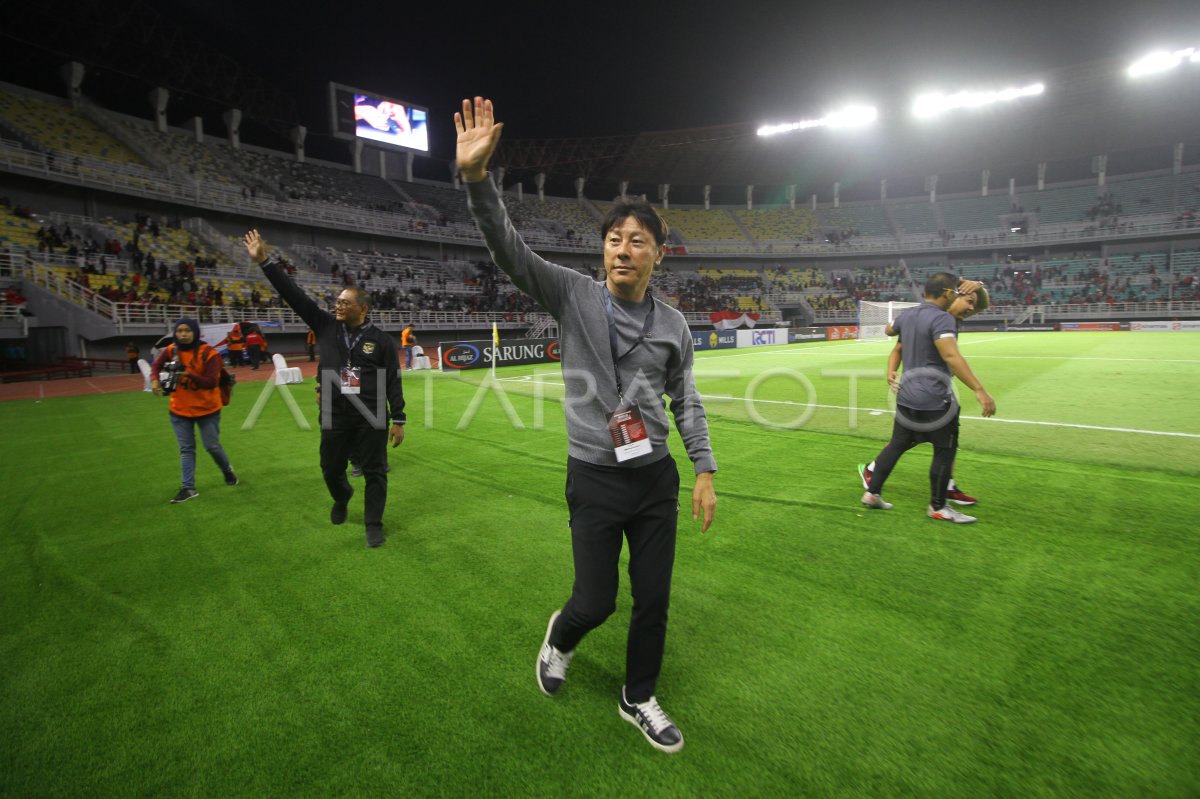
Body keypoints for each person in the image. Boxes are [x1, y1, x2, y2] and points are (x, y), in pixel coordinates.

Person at [457, 97, 717, 754]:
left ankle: (638, 695)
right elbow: (508, 251)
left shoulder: (675, 326)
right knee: (596, 601)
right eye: (613, 238)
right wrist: (476, 181)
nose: (622, 250)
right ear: (602, 249)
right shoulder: (572, 294)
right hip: (596, 478)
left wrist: (705, 469)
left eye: (637, 241)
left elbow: (686, 400)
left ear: (659, 254)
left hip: (654, 476)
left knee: (653, 599)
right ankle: (562, 637)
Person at [243, 229, 406, 549]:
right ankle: (342, 495)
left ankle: (374, 524)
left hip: (371, 415)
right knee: (330, 468)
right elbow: (294, 295)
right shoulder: (325, 326)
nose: (338, 305)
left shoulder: (382, 341)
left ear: (363, 309)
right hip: (334, 412)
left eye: (345, 302)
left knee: (375, 471)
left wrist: (398, 418)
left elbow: (393, 380)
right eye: (337, 301)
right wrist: (264, 261)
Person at [859, 273, 996, 523]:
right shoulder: (942, 319)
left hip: (906, 397)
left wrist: (891, 365)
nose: (971, 306)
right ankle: (938, 506)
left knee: (898, 444)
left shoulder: (910, 315)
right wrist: (979, 389)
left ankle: (872, 493)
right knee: (945, 450)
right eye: (963, 297)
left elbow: (889, 331)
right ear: (948, 293)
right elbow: (952, 358)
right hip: (935, 399)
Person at [149, 318, 238, 503]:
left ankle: (227, 470)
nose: (183, 334)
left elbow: (211, 382)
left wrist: (189, 374)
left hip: (207, 409)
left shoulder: (209, 354)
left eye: (187, 330)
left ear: (195, 332)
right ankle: (188, 488)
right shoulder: (172, 350)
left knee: (211, 446)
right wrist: (155, 380)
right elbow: (156, 366)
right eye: (180, 330)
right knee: (186, 449)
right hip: (180, 409)